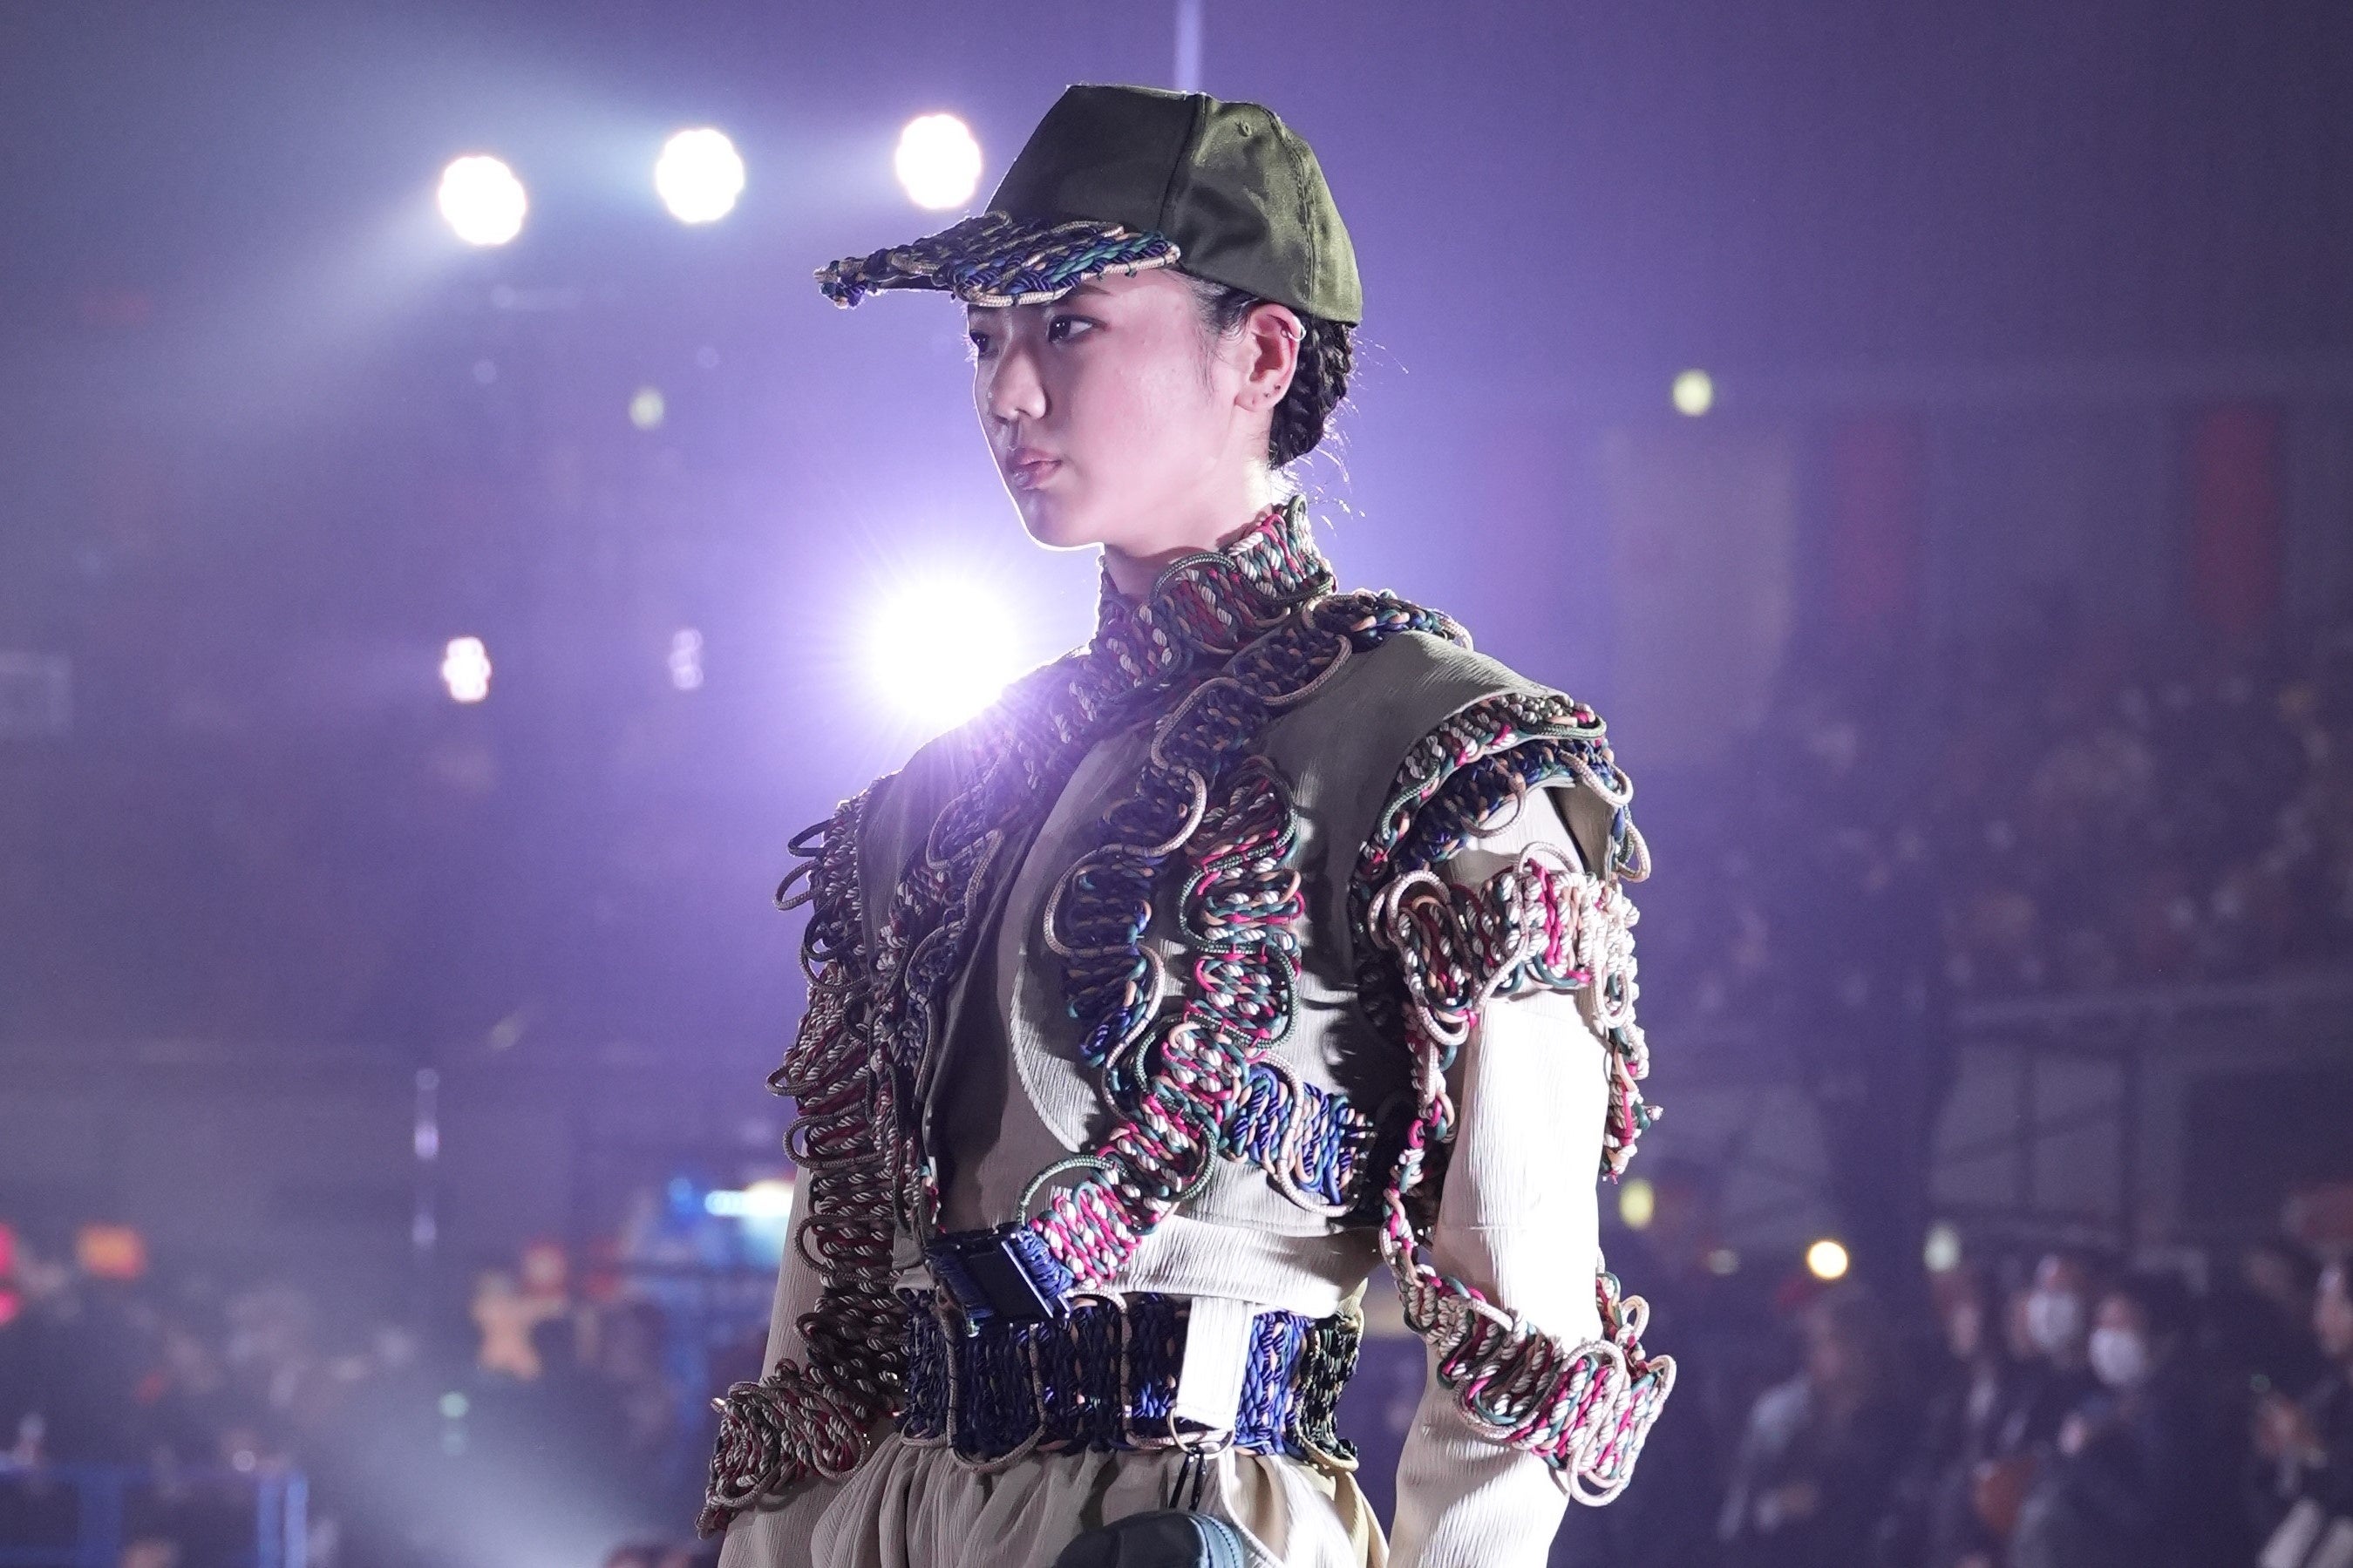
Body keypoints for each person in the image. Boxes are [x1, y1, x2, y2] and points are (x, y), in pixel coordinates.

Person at [699, 84, 1673, 1568]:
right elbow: (823, 1332)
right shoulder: (941, 791)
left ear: (1261, 352)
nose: (1008, 391)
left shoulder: (1434, 754)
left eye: (1068, 325)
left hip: (1191, 1520)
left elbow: (1523, 1311)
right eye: (982, 337)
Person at [2010, 1271, 2238, 1568]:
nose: (2105, 1338)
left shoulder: (2174, 1409)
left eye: (2118, 1325)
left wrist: (2086, 1454)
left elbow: (2154, 1517)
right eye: (2101, 1326)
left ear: (2157, 1330)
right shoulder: (2125, 1398)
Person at [1716, 1285, 1910, 1568]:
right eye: (1829, 1340)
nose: (1844, 1352)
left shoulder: (1900, 1422)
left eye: (1853, 1340)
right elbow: (1739, 1520)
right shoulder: (1781, 1420)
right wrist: (1778, 1506)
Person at [2250, 1259, 2353, 1550]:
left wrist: (2313, 1452)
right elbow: (2279, 1508)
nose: (2321, 1320)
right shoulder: (2324, 1396)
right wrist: (2276, 1457)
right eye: (2322, 1305)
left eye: (2335, 1305)